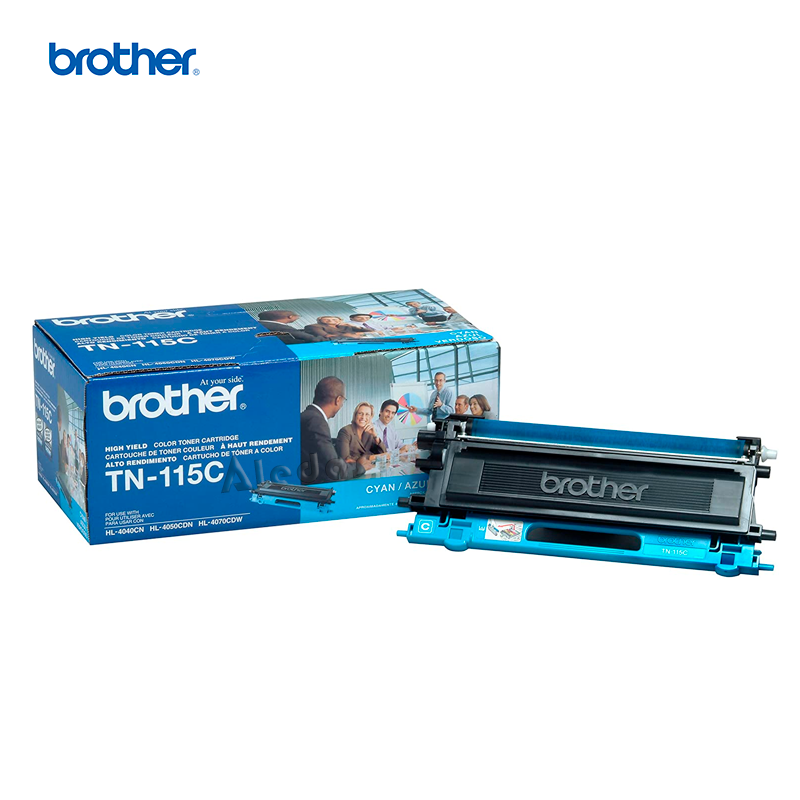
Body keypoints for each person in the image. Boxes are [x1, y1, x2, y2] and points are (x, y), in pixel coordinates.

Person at [300, 376, 349, 484]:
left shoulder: (306, 416)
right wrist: (360, 466)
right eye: (343, 401)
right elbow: (334, 470)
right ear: (338, 400)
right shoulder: (316, 421)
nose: (342, 405)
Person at [336, 402, 386, 469]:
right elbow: (345, 459)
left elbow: (383, 454)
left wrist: (375, 435)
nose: (363, 417)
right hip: (350, 471)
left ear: (371, 417)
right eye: (360, 413)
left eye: (367, 414)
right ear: (355, 415)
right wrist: (368, 458)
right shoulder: (345, 431)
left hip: (367, 469)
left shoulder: (369, 433)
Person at [256, 310, 324, 343]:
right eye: (297, 316)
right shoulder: (283, 328)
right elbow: (314, 339)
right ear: (290, 317)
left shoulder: (258, 325)